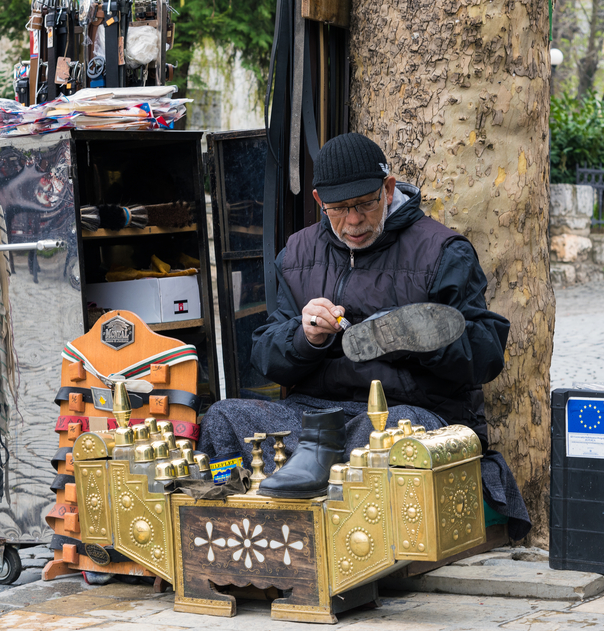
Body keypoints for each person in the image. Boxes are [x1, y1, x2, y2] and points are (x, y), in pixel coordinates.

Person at [197, 133, 530, 540]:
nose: (353, 220)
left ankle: (339, 532)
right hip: (315, 420)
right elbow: (266, 352)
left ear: (388, 189)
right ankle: (234, 529)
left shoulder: (442, 250)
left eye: (365, 204)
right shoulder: (298, 253)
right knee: (225, 418)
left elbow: (487, 354)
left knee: (390, 434)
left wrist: (419, 343)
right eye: (339, 208)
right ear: (319, 201)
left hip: (406, 412)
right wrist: (305, 338)